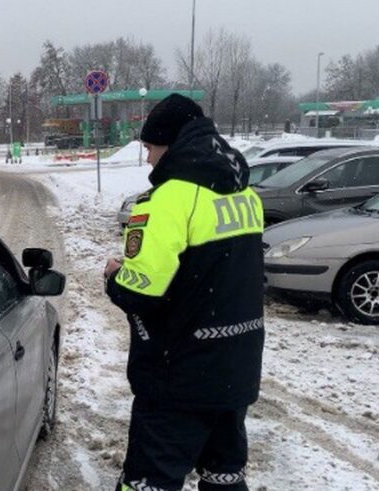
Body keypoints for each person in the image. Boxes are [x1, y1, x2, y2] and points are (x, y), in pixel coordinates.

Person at [104, 94, 265, 491]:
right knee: (224, 479)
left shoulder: (168, 200)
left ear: (170, 144)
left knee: (148, 483)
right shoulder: (245, 194)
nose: (148, 160)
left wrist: (114, 277)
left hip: (178, 375)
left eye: (150, 148)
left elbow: (142, 291)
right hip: (235, 370)